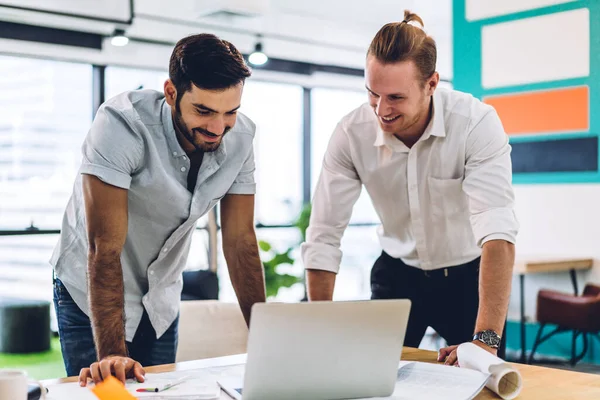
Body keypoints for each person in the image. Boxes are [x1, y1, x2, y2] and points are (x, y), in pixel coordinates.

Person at [302, 10, 518, 365]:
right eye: (373, 93)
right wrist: (317, 328)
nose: (381, 110)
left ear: (431, 84)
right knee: (370, 378)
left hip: (467, 278)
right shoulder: (350, 133)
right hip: (397, 276)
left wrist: (486, 340)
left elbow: (497, 230)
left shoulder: (475, 123)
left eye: (396, 98)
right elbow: (324, 234)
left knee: (481, 381)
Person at [50, 33, 266, 385]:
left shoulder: (240, 138)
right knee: (109, 391)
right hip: (89, 292)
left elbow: (240, 240)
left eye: (230, 112)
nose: (217, 128)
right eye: (203, 110)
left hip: (161, 301)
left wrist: (268, 341)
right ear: (171, 93)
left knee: (161, 393)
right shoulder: (121, 125)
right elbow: (104, 247)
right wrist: (111, 355)